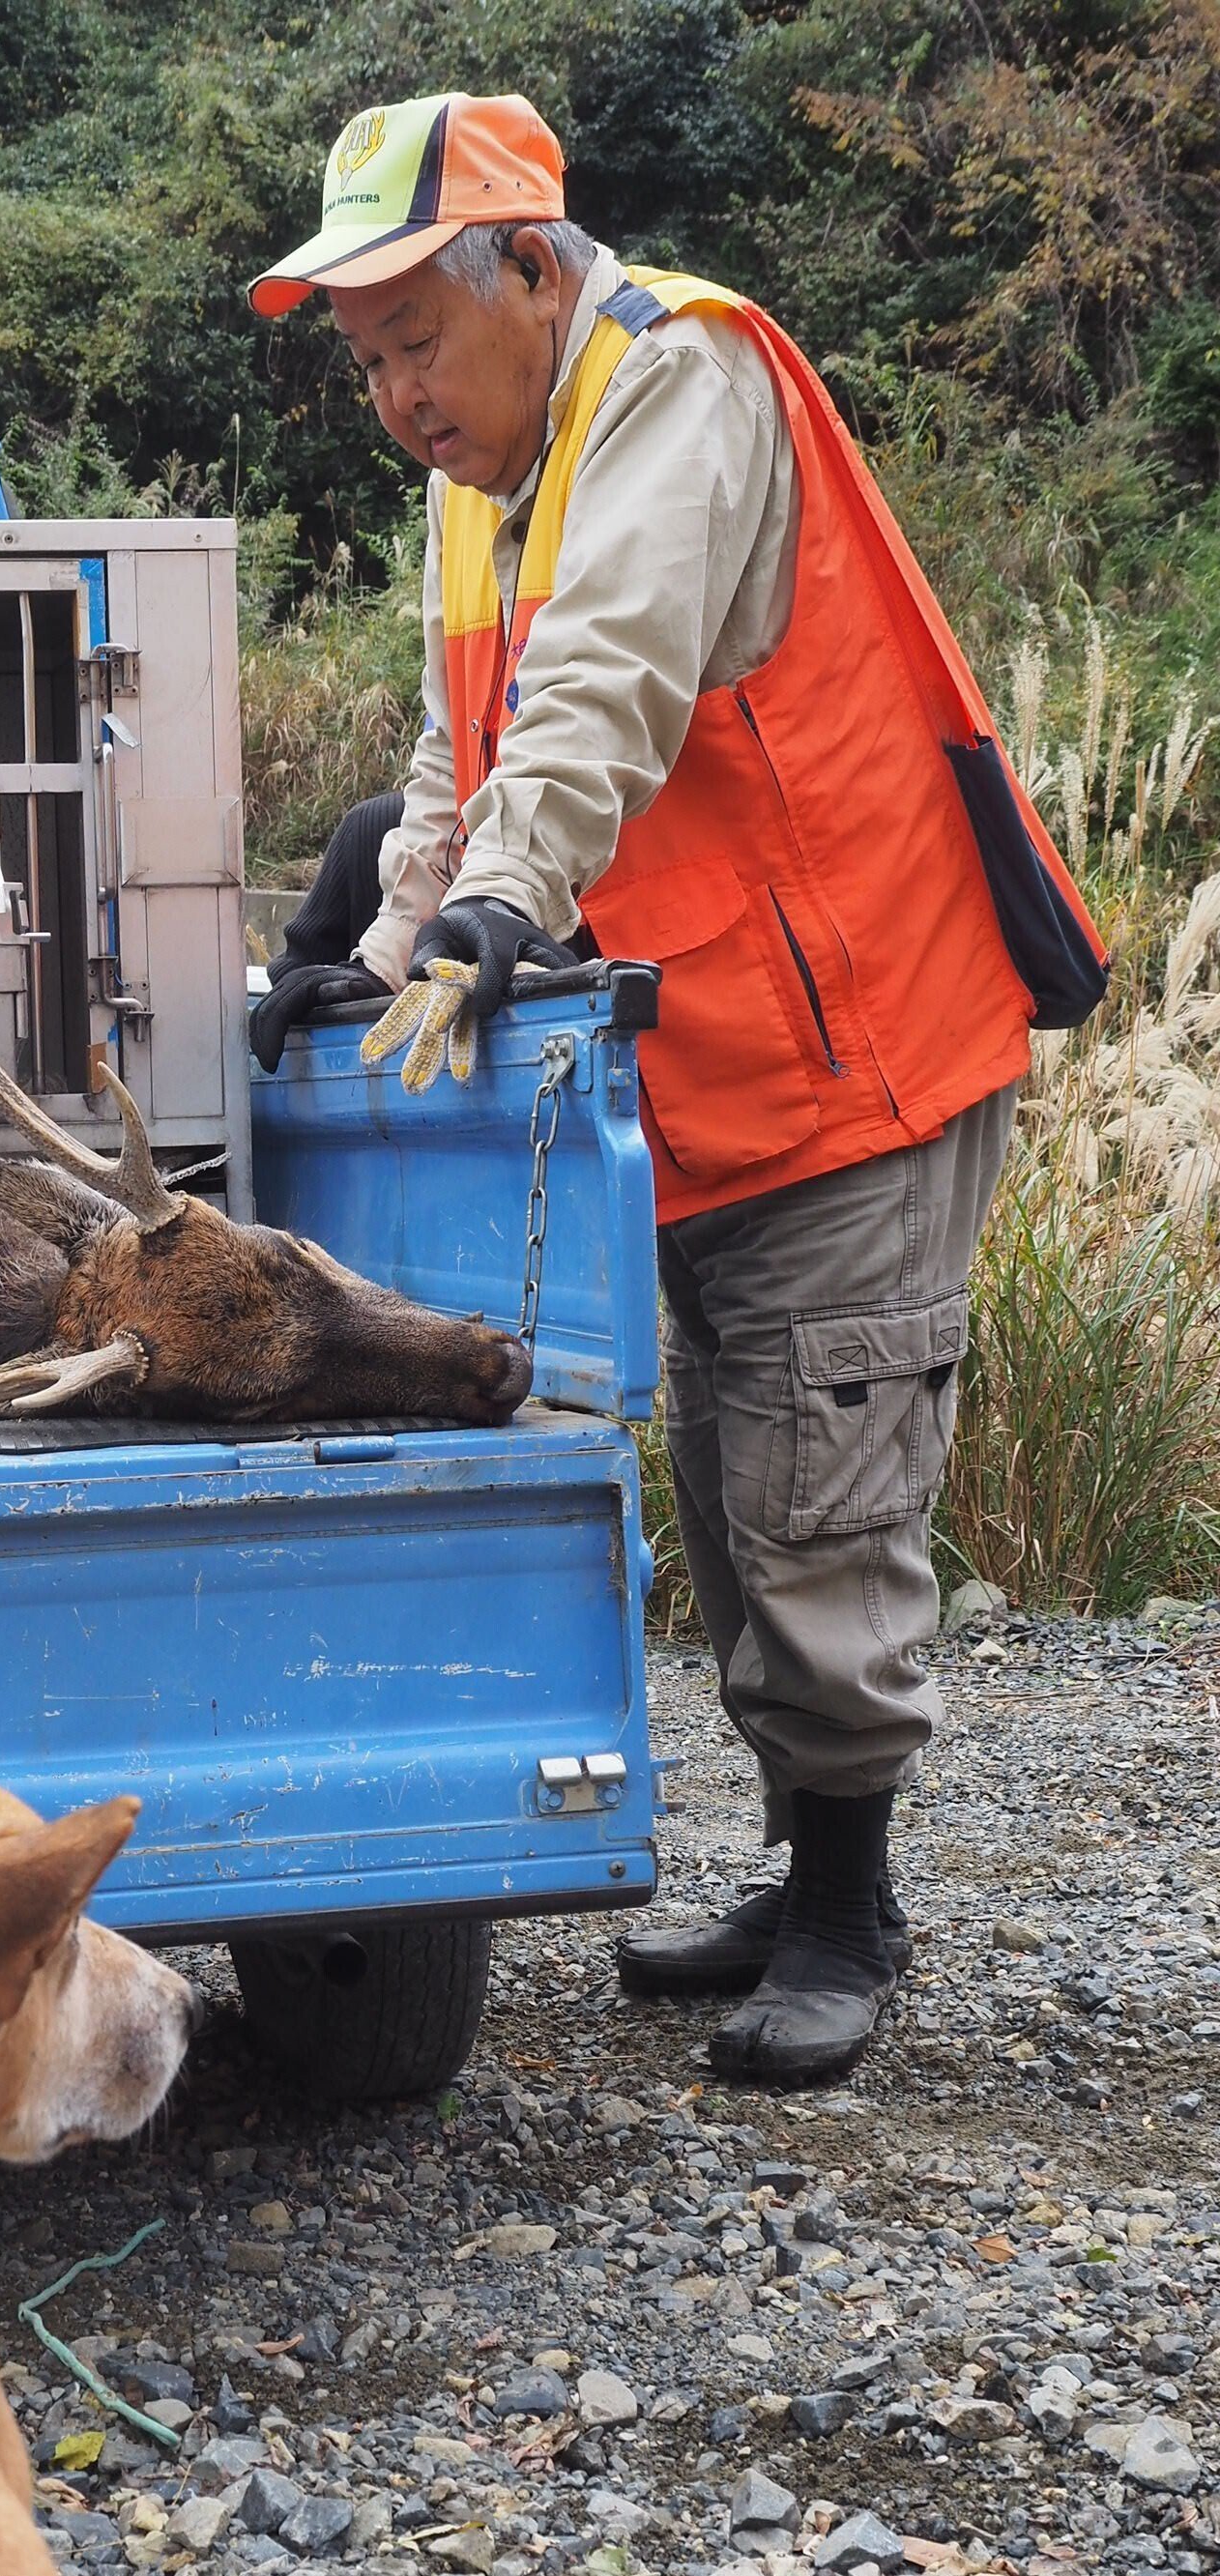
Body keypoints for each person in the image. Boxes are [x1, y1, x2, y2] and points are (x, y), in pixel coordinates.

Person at [246, 91, 1105, 2085]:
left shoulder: (680, 382)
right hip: (696, 1060)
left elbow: (606, 682)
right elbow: (461, 758)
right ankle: (805, 1864)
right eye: (364, 361)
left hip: (851, 1044)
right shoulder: (485, 469)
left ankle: (850, 1908)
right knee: (727, 1473)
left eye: (414, 343)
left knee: (816, 1483)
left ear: (529, 270)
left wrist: (504, 912)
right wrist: (377, 958)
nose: (394, 399)